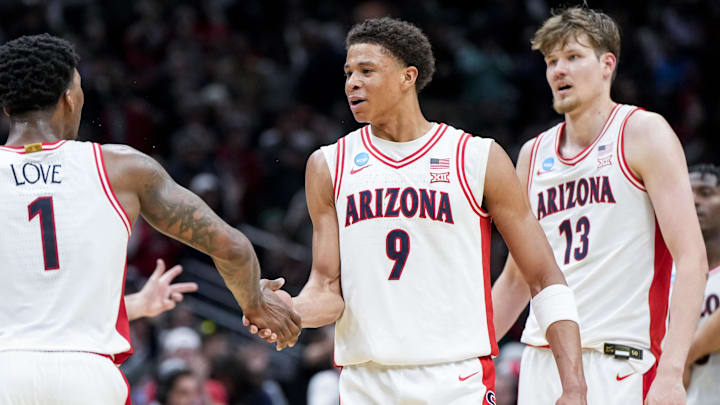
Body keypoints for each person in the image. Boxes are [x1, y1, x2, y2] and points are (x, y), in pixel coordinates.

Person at [245, 17, 587, 404]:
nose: (351, 83)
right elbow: (326, 289)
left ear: (408, 77)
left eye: (366, 71)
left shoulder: (476, 157)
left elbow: (544, 277)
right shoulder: (328, 165)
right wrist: (289, 308)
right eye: (348, 73)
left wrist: (573, 387)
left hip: (455, 381)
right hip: (364, 384)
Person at [0, 33, 301, 405]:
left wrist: (137, 305)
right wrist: (255, 304)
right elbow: (233, 247)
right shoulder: (122, 168)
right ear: (69, 98)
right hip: (88, 379)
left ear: (7, 109)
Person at [490, 6, 708, 405]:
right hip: (542, 363)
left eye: (573, 57)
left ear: (608, 64)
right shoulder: (532, 155)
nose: (559, 70)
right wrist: (462, 353)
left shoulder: (643, 133)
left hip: (619, 361)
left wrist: (672, 371)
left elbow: (691, 257)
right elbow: (516, 280)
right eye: (551, 61)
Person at [683, 164, 720, 404]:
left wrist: (684, 357)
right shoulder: (670, 277)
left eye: (705, 193)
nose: (694, 201)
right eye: (688, 193)